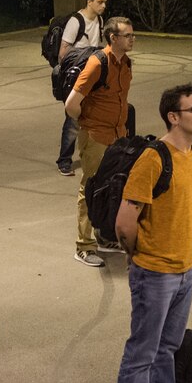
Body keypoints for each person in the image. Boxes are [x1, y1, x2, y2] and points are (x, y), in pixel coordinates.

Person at [113, 83, 192, 383]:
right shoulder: (153, 158)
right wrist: (139, 256)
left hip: (187, 269)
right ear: (174, 116)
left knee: (169, 346)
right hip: (155, 273)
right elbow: (125, 223)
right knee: (142, 350)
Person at [67, 16, 135, 268]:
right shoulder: (97, 64)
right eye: (127, 35)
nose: (132, 39)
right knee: (91, 188)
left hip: (117, 136)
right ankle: (84, 246)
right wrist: (88, 124)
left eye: (132, 34)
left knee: (111, 188)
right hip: (96, 136)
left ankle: (105, 237)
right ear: (112, 38)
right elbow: (71, 104)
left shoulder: (125, 63)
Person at [56, 0, 108, 176]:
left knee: (94, 116)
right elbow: (63, 54)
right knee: (73, 119)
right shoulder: (76, 21)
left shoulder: (100, 20)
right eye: (100, 2)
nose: (103, 6)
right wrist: (82, 58)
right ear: (89, 1)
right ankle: (64, 161)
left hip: (91, 75)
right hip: (74, 76)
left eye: (105, 2)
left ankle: (92, 156)